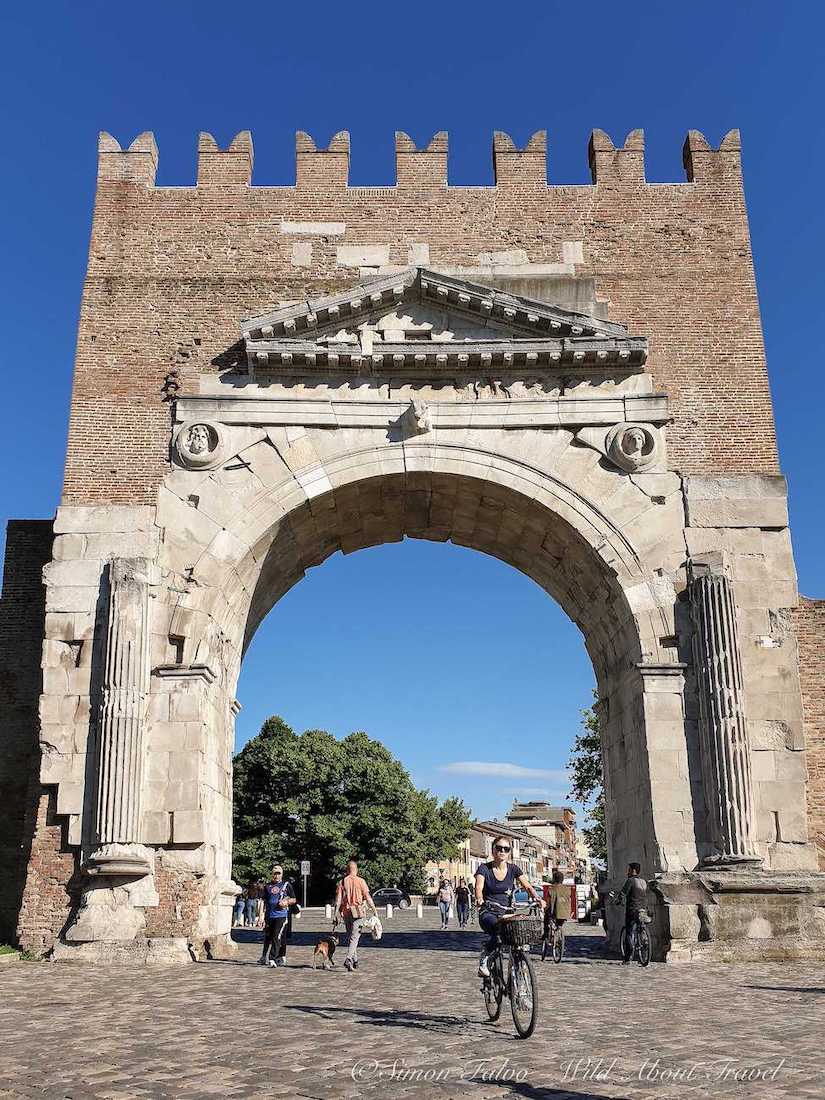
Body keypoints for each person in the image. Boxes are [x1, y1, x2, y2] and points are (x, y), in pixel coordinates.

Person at [475, 836, 544, 977]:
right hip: (488, 911)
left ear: (509, 852)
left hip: (507, 912)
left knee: (519, 933)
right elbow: (478, 886)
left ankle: (519, 967)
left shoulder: (513, 869)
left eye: (506, 849)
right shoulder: (484, 868)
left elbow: (527, 886)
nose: (502, 851)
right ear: (493, 850)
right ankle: (485, 956)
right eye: (499, 848)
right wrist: (480, 898)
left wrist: (537, 898)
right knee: (498, 932)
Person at [335, 859, 376, 973]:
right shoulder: (361, 881)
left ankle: (355, 961)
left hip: (346, 912)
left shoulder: (342, 882)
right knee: (355, 937)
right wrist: (374, 910)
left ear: (347, 870)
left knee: (351, 937)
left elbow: (338, 901)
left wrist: (336, 914)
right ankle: (348, 959)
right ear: (356, 870)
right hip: (358, 912)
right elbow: (368, 897)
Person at [258, 865, 296, 968]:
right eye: (275, 873)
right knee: (268, 936)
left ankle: (272, 958)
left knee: (277, 936)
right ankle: (270, 956)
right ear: (272, 874)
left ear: (282, 874)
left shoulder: (286, 885)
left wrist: (286, 902)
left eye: (278, 873)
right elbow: (263, 901)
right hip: (270, 916)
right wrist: (261, 916)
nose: (276, 876)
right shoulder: (268, 886)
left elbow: (294, 899)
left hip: (281, 915)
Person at [614, 861, 648, 963]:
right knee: (641, 925)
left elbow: (623, 893)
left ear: (633, 871)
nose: (627, 872)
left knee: (628, 932)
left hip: (633, 909)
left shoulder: (630, 881)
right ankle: (644, 940)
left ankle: (627, 958)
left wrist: (618, 901)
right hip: (644, 909)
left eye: (628, 870)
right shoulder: (643, 882)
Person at [544, 868, 572, 939]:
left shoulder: (552, 888)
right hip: (566, 913)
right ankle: (559, 929)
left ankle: (546, 933)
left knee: (546, 916)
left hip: (555, 912)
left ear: (554, 879)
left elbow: (549, 901)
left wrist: (545, 908)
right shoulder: (567, 889)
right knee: (559, 923)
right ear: (562, 880)